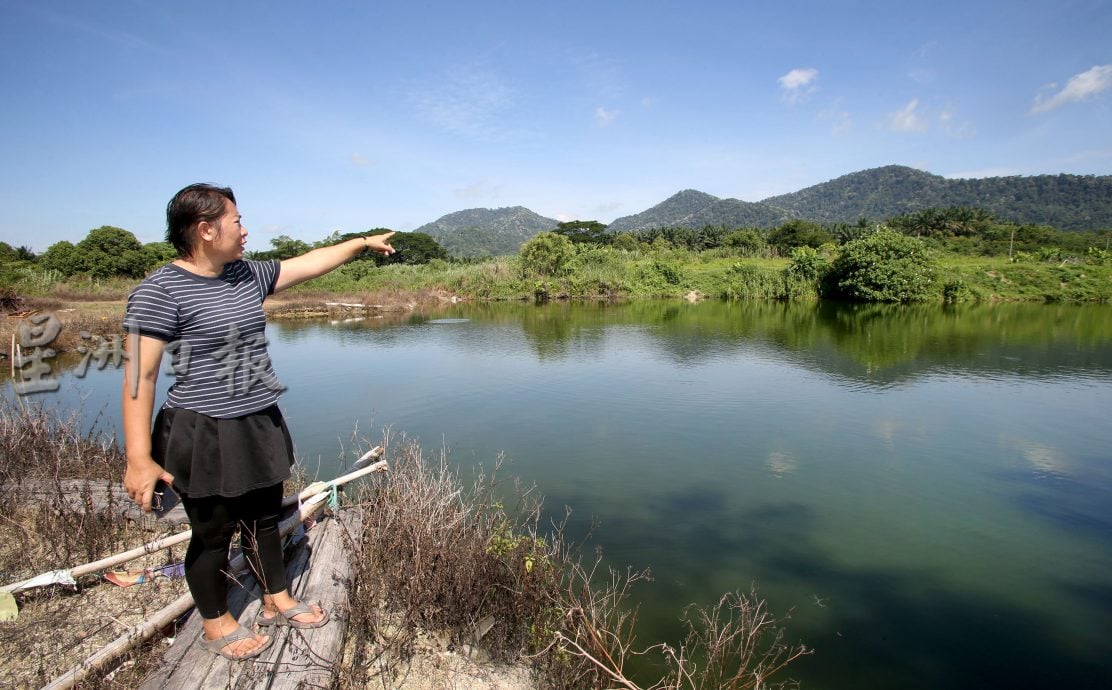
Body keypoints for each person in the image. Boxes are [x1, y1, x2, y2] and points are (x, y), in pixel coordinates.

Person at [122, 183, 395, 660]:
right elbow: (139, 376)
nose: (245, 230)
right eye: (237, 221)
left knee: (265, 519)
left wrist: (359, 243)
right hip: (201, 428)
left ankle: (276, 595)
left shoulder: (246, 275)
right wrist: (138, 457)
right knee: (211, 534)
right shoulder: (160, 291)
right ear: (206, 230)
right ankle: (215, 621)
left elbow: (309, 262)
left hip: (257, 419)